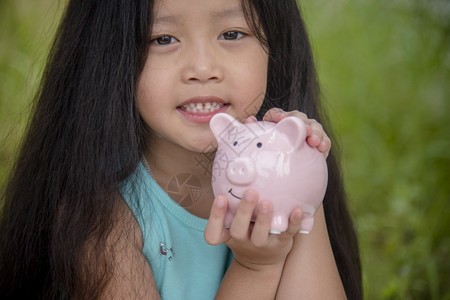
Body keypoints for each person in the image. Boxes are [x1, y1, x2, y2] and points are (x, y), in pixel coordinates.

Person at [0, 0, 362, 299]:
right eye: (163, 39)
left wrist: (302, 181)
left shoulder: (283, 171)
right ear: (110, 57)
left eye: (232, 33)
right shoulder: (99, 225)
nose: (202, 69)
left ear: (277, 46)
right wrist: (256, 267)